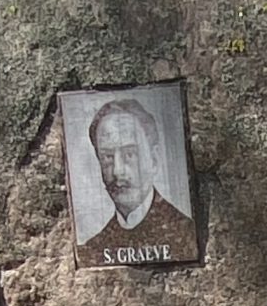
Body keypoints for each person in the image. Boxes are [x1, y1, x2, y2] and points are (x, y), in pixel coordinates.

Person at [76, 96, 196, 263]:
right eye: (108, 157)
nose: (118, 171)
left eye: (130, 154)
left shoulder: (185, 233)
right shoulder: (93, 250)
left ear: (154, 160)